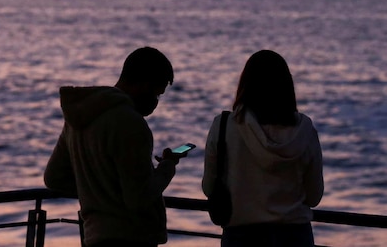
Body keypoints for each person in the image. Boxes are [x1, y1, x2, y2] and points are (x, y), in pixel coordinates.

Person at [44, 47, 186, 247]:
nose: (156, 101)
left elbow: (54, 178)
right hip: (131, 238)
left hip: (93, 236)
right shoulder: (131, 123)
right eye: (157, 93)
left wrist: (97, 192)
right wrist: (167, 168)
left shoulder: (79, 118)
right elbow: (139, 198)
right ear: (144, 83)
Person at [202, 50, 324, 247]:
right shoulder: (305, 130)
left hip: (240, 236)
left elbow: (209, 188)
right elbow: (314, 196)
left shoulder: (223, 126)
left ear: (245, 85)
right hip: (294, 236)